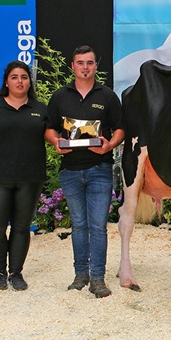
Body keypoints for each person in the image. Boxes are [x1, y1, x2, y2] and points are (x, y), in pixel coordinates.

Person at [45, 45, 124, 298]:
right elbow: (49, 129)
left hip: (100, 168)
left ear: (95, 66)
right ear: (73, 66)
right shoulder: (59, 97)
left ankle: (98, 279)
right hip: (70, 170)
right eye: (80, 63)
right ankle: (81, 274)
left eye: (90, 62)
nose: (85, 67)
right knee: (79, 225)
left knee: (98, 226)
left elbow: (121, 128)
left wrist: (110, 145)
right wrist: (55, 142)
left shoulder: (108, 96)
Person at [0, 61, 48, 291]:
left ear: (29, 81)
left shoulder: (40, 109)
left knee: (22, 227)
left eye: (24, 77)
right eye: (14, 77)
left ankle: (16, 272)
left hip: (30, 178)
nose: (20, 81)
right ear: (6, 81)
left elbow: (53, 135)